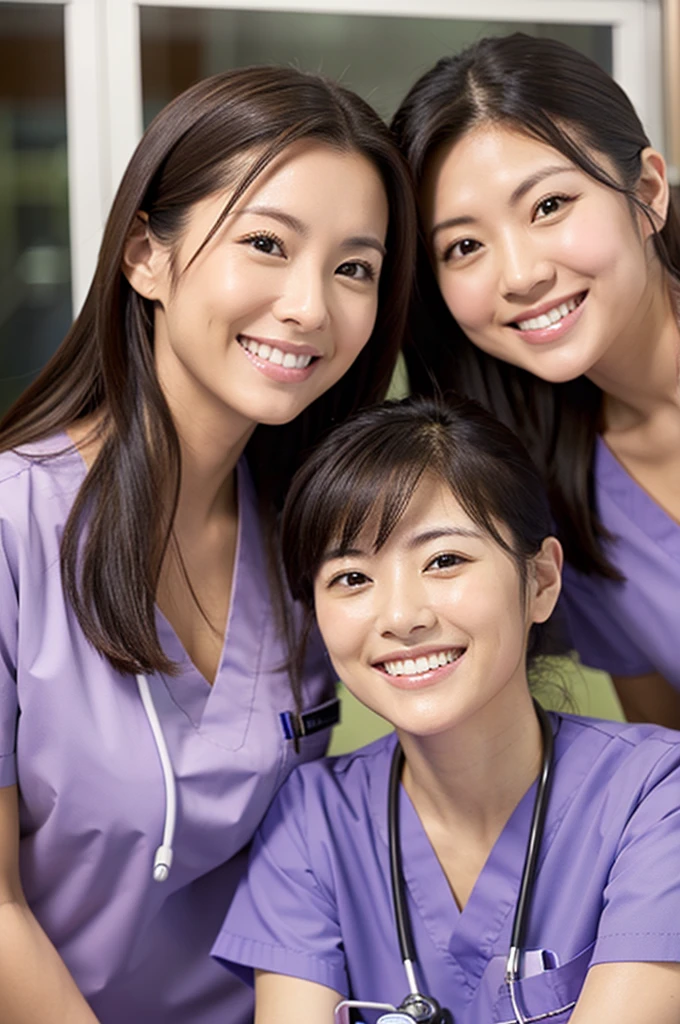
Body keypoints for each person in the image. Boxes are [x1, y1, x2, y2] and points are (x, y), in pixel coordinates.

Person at [0, 66, 416, 1024]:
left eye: (355, 266)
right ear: (146, 254)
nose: (310, 306)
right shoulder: (15, 529)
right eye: (266, 243)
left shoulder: (311, 540)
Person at [212, 395, 680, 1024]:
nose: (403, 617)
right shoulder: (311, 821)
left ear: (540, 580)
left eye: (445, 560)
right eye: (351, 578)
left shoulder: (655, 799)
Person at [389, 34, 680, 729]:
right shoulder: (566, 500)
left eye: (549, 205)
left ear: (646, 191)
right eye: (464, 246)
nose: (520, 275)